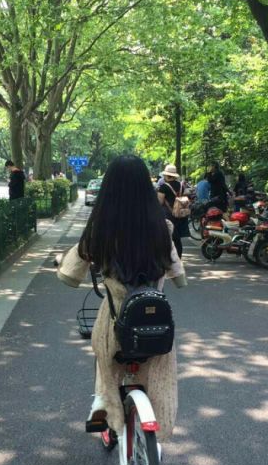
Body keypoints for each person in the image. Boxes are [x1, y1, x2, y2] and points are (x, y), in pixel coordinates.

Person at [56, 155, 186, 440]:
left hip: (115, 323)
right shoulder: (162, 228)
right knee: (158, 371)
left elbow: (68, 276)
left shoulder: (100, 231)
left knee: (104, 355)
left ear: (108, 189)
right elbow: (179, 276)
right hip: (155, 325)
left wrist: (63, 263)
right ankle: (157, 419)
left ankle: (102, 405)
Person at [157, 164, 189, 258]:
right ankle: (179, 257)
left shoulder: (163, 187)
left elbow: (160, 202)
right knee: (177, 239)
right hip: (179, 214)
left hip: (168, 215)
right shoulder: (181, 185)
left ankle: (168, 259)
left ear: (167, 175)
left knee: (167, 238)